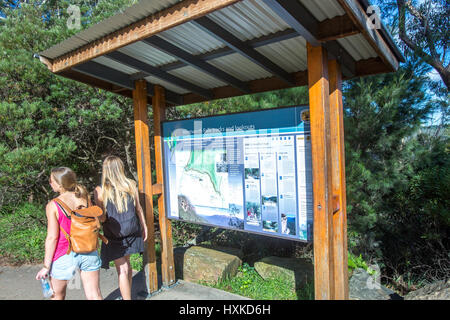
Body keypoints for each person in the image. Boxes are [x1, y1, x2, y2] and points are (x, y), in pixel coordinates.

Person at [35, 167, 103, 300]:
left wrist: (46, 266)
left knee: (57, 295)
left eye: (51, 181)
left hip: (64, 254)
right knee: (94, 294)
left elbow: (52, 238)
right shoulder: (84, 198)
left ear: (60, 184)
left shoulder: (53, 205)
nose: (50, 183)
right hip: (88, 249)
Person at [94, 156, 148, 300]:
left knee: (122, 269)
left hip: (113, 234)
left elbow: (102, 218)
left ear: (106, 170)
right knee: (127, 265)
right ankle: (127, 294)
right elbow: (138, 209)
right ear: (120, 168)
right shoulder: (130, 184)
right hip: (132, 231)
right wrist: (144, 226)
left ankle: (127, 298)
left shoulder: (100, 191)